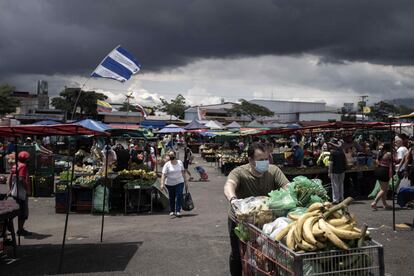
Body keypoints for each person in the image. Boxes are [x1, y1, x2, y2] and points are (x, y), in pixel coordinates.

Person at [223, 142, 290, 276]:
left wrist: (289, 196)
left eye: (266, 159)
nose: (265, 162)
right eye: (260, 160)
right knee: (238, 253)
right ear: (250, 160)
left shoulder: (273, 171)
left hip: (265, 219)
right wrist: (233, 200)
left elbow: (287, 186)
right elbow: (229, 185)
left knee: (264, 253)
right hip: (241, 220)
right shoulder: (240, 172)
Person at [8, 151, 31, 236]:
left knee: (16, 211)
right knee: (23, 213)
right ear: (26, 159)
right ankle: (20, 230)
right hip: (21, 193)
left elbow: (10, 178)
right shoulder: (23, 166)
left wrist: (10, 189)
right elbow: (21, 179)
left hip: (14, 192)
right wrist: (27, 189)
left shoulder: (15, 165)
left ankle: (9, 225)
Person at [160, 151, 189, 217]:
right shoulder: (167, 164)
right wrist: (162, 184)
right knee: (171, 197)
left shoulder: (180, 163)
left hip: (179, 182)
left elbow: (183, 173)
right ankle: (172, 210)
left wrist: (186, 182)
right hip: (170, 183)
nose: (171, 156)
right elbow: (163, 174)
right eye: (170, 155)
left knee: (179, 195)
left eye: (172, 155)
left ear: (175, 155)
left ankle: (178, 210)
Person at [371, 143, 392, 210]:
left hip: (378, 170)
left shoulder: (380, 153)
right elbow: (394, 162)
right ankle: (374, 202)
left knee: (383, 189)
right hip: (384, 171)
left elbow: (377, 161)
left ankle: (385, 204)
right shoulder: (389, 154)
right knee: (384, 189)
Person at [328, 138, 347, 204]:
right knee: (341, 184)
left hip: (334, 171)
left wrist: (329, 172)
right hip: (342, 170)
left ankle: (336, 200)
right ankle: (341, 198)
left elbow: (331, 163)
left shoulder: (332, 152)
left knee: (335, 185)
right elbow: (345, 161)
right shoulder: (342, 152)